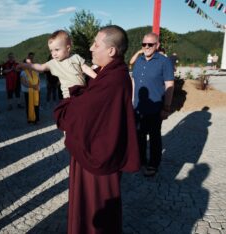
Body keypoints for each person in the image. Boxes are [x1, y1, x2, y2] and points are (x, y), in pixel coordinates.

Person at [54, 25, 140, 234]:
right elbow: (93, 104)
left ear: (111, 51)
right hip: (96, 148)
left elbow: (83, 113)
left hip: (99, 155)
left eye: (96, 44)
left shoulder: (114, 79)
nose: (91, 48)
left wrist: (65, 104)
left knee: (95, 206)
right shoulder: (109, 73)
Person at [131, 32, 174, 177]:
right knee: (139, 136)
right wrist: (131, 102)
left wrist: (166, 107)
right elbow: (134, 82)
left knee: (155, 137)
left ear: (157, 45)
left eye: (150, 44)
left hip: (155, 107)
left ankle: (153, 164)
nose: (147, 47)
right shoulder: (139, 60)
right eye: (144, 44)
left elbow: (169, 85)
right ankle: (141, 161)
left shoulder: (164, 61)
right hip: (138, 107)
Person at [18, 30, 97, 99]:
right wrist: (25, 65)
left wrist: (97, 78)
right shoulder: (53, 63)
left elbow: (86, 69)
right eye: (51, 50)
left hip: (83, 91)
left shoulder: (76, 57)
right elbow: (40, 67)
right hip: (69, 96)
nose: (54, 54)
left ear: (68, 48)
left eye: (57, 50)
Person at [20, 56, 40, 124]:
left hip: (36, 91)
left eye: (30, 62)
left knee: (36, 105)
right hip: (28, 92)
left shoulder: (35, 71)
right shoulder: (23, 73)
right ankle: (30, 119)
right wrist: (33, 86)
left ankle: (36, 118)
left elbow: (38, 80)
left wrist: (36, 86)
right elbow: (23, 83)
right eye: (27, 63)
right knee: (29, 105)